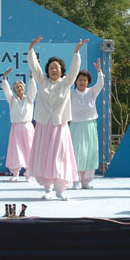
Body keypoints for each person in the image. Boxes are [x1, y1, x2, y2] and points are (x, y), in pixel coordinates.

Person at [27, 36, 87, 200]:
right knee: (45, 155)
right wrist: (31, 49)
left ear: (62, 70)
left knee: (60, 156)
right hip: (44, 125)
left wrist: (76, 52)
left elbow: (75, 70)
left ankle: (60, 189)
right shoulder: (42, 81)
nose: (54, 70)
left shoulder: (66, 83)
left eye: (57, 67)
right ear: (47, 70)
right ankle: (47, 189)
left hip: (60, 125)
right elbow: (34, 65)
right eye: (51, 67)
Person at [70, 59, 104, 189]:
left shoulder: (92, 92)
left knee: (90, 153)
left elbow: (100, 84)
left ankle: (86, 181)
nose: (82, 82)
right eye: (80, 80)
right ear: (75, 81)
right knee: (77, 153)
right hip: (76, 126)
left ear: (88, 82)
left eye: (85, 80)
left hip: (90, 125)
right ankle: (75, 180)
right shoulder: (71, 94)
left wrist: (99, 71)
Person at [1, 67, 36, 181]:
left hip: (27, 127)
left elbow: (33, 90)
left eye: (21, 86)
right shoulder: (12, 100)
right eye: (16, 87)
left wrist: (31, 78)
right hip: (16, 127)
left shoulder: (29, 99)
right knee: (16, 150)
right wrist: (5, 79)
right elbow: (6, 91)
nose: (19, 88)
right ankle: (15, 173)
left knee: (29, 149)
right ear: (14, 90)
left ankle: (29, 173)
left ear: (24, 88)